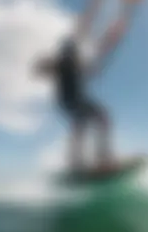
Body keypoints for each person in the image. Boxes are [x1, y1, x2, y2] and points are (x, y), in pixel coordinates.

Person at [35, 18, 127, 172]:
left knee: (86, 124)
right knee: (100, 118)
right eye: (73, 53)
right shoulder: (64, 63)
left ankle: (77, 162)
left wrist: (112, 38)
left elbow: (91, 65)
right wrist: (48, 65)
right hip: (70, 101)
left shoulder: (75, 64)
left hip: (75, 101)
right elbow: (43, 68)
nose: (76, 55)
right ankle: (100, 157)